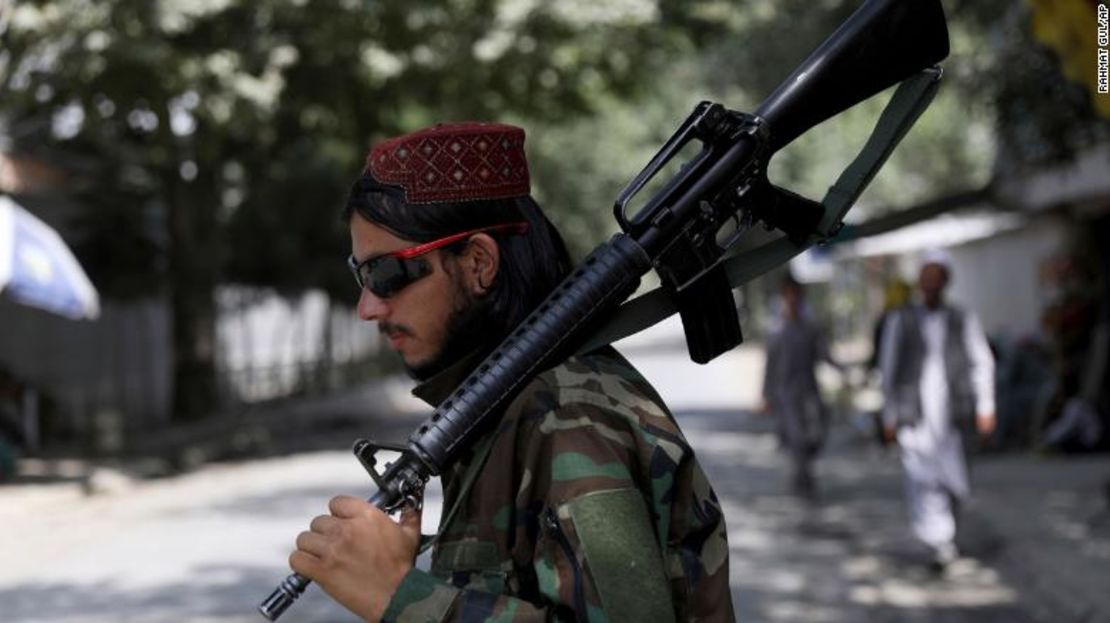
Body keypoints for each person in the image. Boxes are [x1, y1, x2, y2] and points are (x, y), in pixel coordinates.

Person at [288, 122, 734, 622]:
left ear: (479, 262)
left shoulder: (568, 417)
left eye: (386, 274)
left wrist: (402, 597)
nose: (367, 306)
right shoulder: (505, 407)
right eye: (360, 274)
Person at [878, 249, 995, 571]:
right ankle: (939, 542)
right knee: (923, 479)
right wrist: (888, 416)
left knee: (955, 480)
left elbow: (981, 363)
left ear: (945, 282)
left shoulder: (962, 318)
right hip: (913, 417)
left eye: (936, 279)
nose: (930, 286)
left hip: (953, 417)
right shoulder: (899, 319)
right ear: (919, 283)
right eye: (925, 279)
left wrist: (986, 407)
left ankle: (947, 537)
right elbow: (888, 371)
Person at [761, 274, 839, 497]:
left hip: (809, 390)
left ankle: (804, 468)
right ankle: (802, 478)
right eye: (788, 295)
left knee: (817, 432)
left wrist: (845, 373)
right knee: (796, 437)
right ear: (783, 298)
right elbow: (770, 365)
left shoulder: (811, 328)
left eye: (796, 295)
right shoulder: (776, 331)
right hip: (785, 394)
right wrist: (765, 395)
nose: (793, 299)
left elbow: (825, 355)